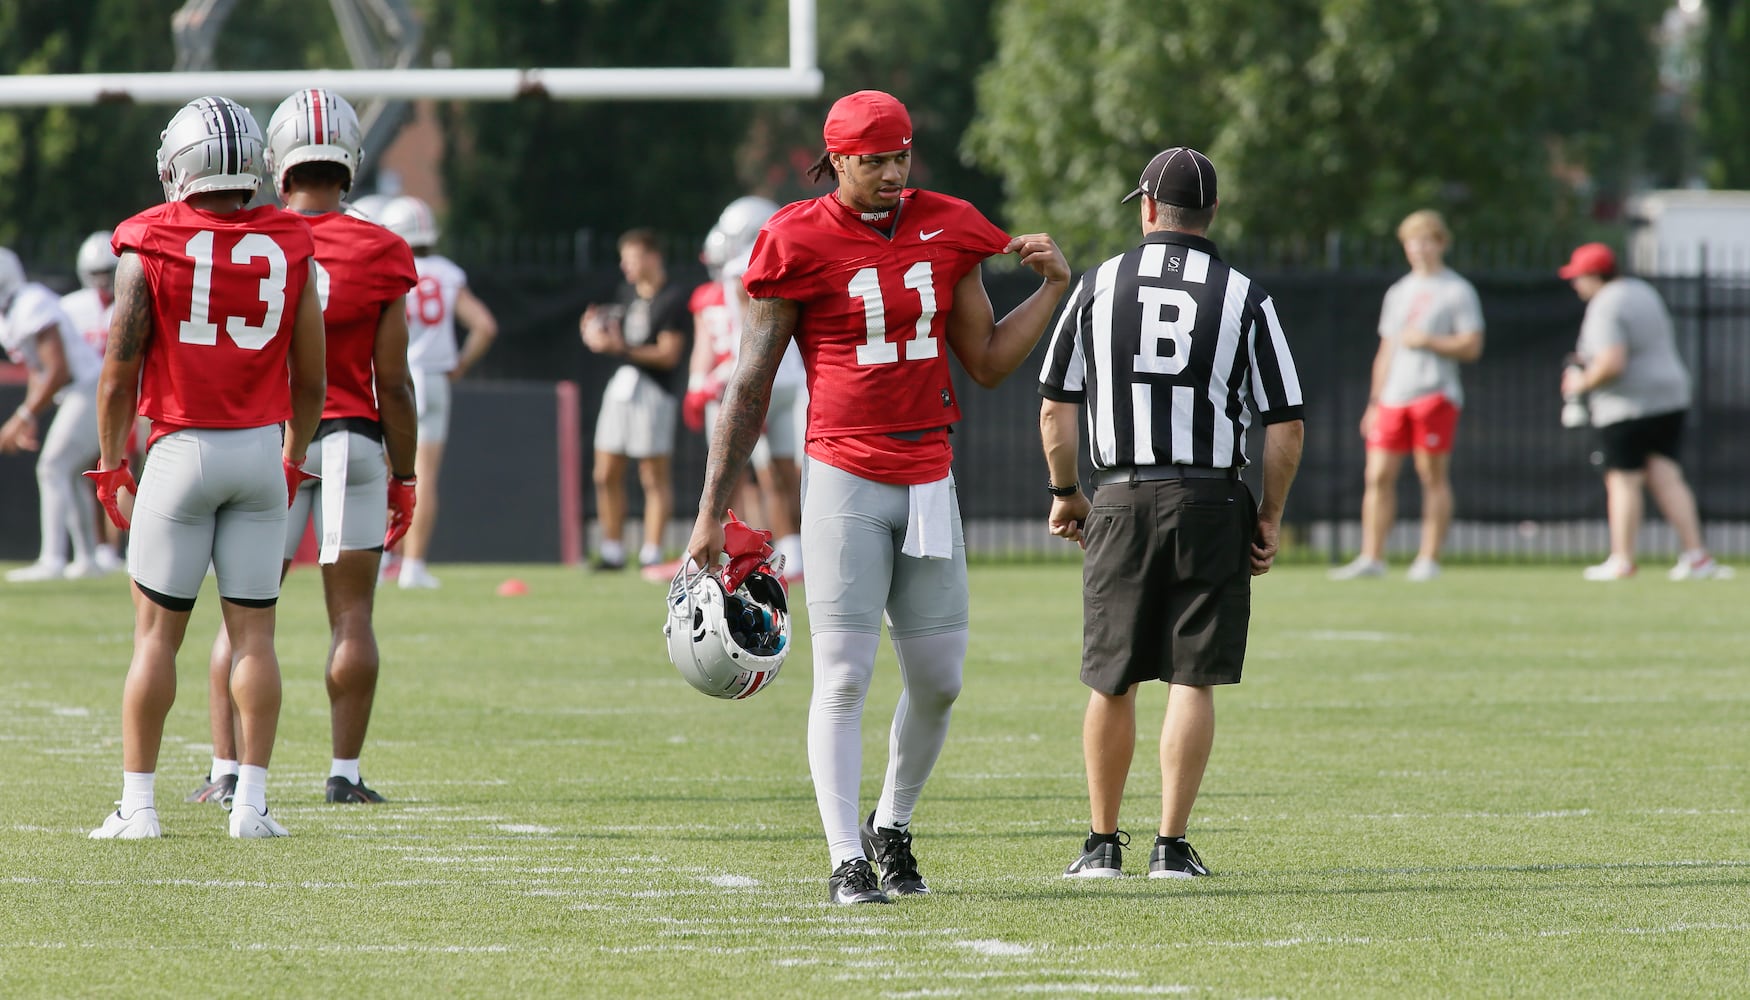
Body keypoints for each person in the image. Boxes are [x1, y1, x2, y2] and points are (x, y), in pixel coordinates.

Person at [685, 89, 1071, 905]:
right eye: (875, 160)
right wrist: (711, 510)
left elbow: (991, 361)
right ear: (837, 161)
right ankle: (843, 859)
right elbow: (750, 384)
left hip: (930, 473)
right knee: (846, 675)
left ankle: (889, 826)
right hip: (845, 475)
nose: (895, 172)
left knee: (939, 679)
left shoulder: (950, 224)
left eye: (902, 156)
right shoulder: (795, 236)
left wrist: (1052, 290)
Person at [1038, 146, 1305, 879]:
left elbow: (1056, 407)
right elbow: (1284, 423)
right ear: (1211, 213)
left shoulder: (1098, 285)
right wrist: (1270, 513)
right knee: (1193, 677)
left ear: (1148, 210)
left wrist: (1067, 492)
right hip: (1211, 496)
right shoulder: (1245, 295)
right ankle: (1171, 845)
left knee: (1112, 677)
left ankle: (1100, 845)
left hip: (1120, 494)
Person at [86, 95, 326, 839]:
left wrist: (109, 462)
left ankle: (139, 808)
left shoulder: (149, 238)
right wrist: (292, 457)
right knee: (256, 637)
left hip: (181, 450)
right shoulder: (290, 239)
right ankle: (251, 806)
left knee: (156, 639)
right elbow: (312, 379)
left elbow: (119, 374)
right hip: (259, 449)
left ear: (178, 163)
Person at [193, 88, 418, 808]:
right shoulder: (383, 248)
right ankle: (344, 775)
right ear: (348, 160)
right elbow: (397, 383)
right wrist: (406, 475)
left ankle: (227, 770)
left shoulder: (249, 240)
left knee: (244, 612)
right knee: (352, 615)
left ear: (277, 164)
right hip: (353, 437)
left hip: (268, 439)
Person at [1558, 242, 1729, 581]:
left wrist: (1580, 384)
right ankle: (1697, 556)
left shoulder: (1605, 304)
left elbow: (1612, 362)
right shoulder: (1641, 290)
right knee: (1666, 474)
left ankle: (1622, 559)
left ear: (1595, 276)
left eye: (1579, 277)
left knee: (1623, 480)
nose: (1576, 285)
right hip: (1671, 396)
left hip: (1627, 404)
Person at [1328, 209, 1483, 582]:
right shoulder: (1399, 292)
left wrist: (1430, 341)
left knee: (1431, 475)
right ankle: (1372, 556)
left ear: (1441, 243)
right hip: (1394, 397)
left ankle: (1428, 558)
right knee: (1377, 475)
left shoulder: (1456, 290)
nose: (1419, 249)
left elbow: (1472, 345)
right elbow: (1387, 350)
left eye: (1426, 240)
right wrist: (1374, 402)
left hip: (1435, 394)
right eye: (1412, 242)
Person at [669, 196, 805, 583]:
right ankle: (793, 554)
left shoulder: (742, 270)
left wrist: (722, 377)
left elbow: (751, 335)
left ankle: (703, 551)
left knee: (728, 473)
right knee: (781, 474)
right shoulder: (787, 260)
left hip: (761, 379)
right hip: (791, 379)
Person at [375, 194, 499, 590]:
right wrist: (459, 363)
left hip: (389, 376)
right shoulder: (447, 272)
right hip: (430, 379)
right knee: (422, 476)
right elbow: (484, 325)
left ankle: (377, 561)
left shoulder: (385, 266)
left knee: (380, 473)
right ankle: (413, 566)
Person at [580, 228, 691, 571]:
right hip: (622, 387)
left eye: (632, 257)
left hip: (654, 392)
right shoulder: (626, 295)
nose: (625, 265)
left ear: (653, 257)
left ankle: (651, 553)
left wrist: (621, 348)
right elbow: (617, 340)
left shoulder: (672, 297)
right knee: (605, 471)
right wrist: (594, 336)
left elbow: (668, 354)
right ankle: (613, 550)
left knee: (652, 475)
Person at [0, 246, 107, 582]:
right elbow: (37, 369)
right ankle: (87, 559)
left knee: (53, 466)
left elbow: (58, 369)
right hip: (78, 390)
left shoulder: (31, 302)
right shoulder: (10, 314)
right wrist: (30, 415)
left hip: (89, 387)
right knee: (67, 471)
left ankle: (53, 559)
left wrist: (22, 416)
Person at [60, 231, 127, 574]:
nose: (102, 280)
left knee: (127, 471)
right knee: (92, 475)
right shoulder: (71, 307)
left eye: (107, 271)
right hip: (90, 402)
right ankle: (99, 548)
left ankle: (120, 547)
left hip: (129, 399)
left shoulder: (132, 300)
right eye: (96, 272)